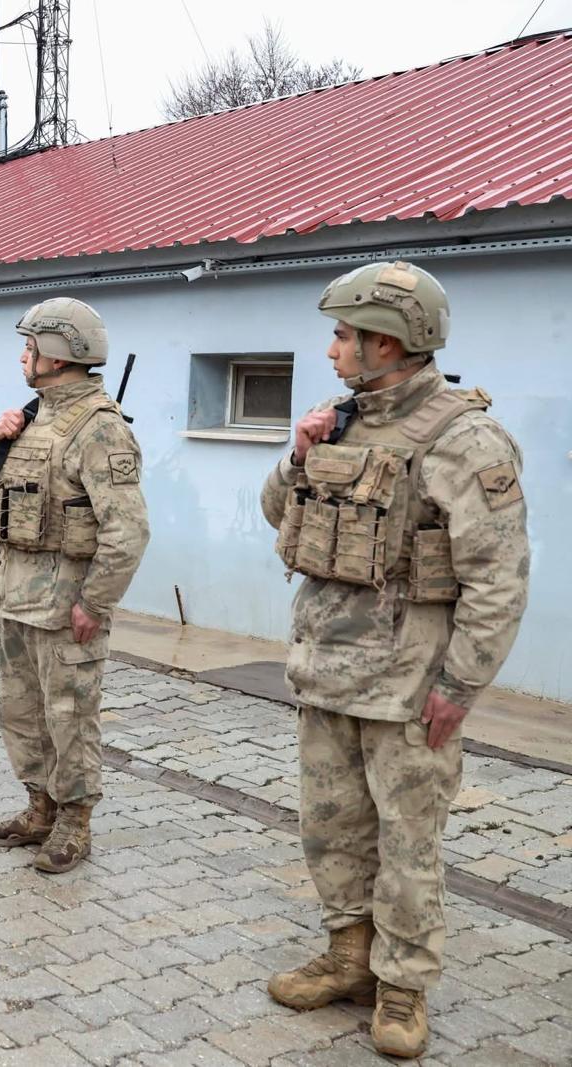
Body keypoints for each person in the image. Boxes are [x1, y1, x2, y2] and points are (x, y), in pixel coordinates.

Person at [259, 262, 530, 1058]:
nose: (331, 348)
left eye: (343, 334)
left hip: (409, 685)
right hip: (327, 671)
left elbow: (499, 577)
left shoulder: (465, 439)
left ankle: (404, 986)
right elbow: (276, 512)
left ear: (388, 341)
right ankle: (350, 957)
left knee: (408, 844)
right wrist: (298, 453)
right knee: (331, 828)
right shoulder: (340, 422)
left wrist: (461, 683)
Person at [0, 298, 150, 873]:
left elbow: (127, 530)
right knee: (22, 713)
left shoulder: (100, 428)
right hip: (15, 595)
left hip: (64, 603)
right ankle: (38, 807)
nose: (22, 357)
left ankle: (74, 822)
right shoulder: (33, 416)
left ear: (57, 353)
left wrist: (94, 602)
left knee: (70, 717)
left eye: (30, 347)